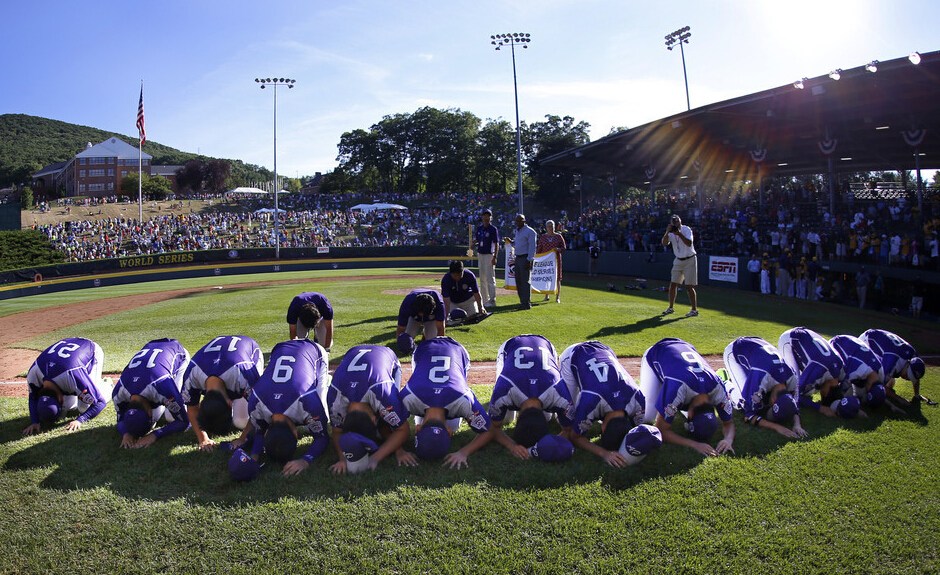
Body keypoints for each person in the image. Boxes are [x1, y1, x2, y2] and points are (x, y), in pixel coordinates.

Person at [229, 338, 331, 479]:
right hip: (280, 349)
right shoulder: (256, 401)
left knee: (321, 414)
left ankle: (327, 381)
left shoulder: (308, 402)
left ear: (296, 434)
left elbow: (323, 438)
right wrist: (254, 455)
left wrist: (306, 460)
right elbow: (259, 431)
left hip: (313, 350)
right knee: (313, 421)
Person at [399, 336, 492, 469]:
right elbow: (488, 430)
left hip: (448, 350)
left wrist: (399, 450)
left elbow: (488, 430)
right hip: (433, 350)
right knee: (454, 423)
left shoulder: (463, 401)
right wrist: (463, 452)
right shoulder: (409, 398)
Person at [324, 344, 417, 473]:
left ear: (375, 419)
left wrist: (376, 458)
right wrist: (342, 459)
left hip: (386, 355)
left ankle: (383, 427)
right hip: (355, 353)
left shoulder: (383, 393)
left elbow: (403, 429)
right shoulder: (334, 396)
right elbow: (337, 431)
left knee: (390, 422)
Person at [640, 338, 735, 457]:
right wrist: (694, 444)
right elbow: (661, 430)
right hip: (657, 352)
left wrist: (728, 439)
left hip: (684, 351)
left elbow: (729, 423)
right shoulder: (678, 387)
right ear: (689, 415)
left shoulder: (718, 389)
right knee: (647, 417)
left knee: (675, 401)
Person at [560, 340, 649, 467]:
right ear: (603, 427)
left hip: (605, 350)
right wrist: (604, 453)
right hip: (574, 353)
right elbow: (575, 437)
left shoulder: (638, 398)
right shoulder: (591, 401)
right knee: (568, 415)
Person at [487, 335, 575, 460]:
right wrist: (513, 446)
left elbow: (569, 429)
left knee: (552, 419)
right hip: (511, 345)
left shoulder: (558, 393)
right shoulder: (504, 388)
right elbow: (491, 427)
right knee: (506, 419)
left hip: (545, 347)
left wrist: (536, 448)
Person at [182, 335, 264, 451]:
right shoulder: (192, 373)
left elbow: (259, 409)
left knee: (241, 421)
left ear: (230, 403)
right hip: (224, 364)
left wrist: (243, 438)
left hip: (249, 352)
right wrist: (203, 438)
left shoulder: (244, 373)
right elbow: (192, 407)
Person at [22, 337, 112, 436]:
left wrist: (80, 420)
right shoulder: (33, 374)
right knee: (69, 406)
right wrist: (35, 422)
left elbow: (100, 403)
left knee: (84, 407)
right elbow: (33, 397)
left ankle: (108, 385)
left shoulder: (72, 376)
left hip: (89, 349)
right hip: (66, 353)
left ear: (61, 398)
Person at [722, 336, 808, 439]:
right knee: (743, 402)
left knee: (757, 396)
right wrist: (778, 427)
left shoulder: (792, 378)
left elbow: (794, 405)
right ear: (773, 399)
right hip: (735, 350)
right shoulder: (762, 377)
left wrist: (797, 425)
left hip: (759, 348)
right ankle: (725, 382)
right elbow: (749, 415)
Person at [112, 338, 191, 449]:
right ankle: (161, 405)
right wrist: (126, 433)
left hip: (177, 354)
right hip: (151, 364)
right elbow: (120, 420)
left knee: (171, 417)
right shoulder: (118, 393)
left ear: (150, 412)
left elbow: (184, 422)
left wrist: (155, 434)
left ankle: (165, 404)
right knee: (163, 410)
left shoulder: (162, 386)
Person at [778, 327, 862, 418]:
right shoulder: (818, 370)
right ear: (826, 392)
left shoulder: (840, 367)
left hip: (809, 334)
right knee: (793, 386)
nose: (821, 394)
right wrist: (819, 407)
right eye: (823, 395)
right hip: (789, 339)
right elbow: (797, 395)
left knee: (808, 388)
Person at [829, 334, 905, 414]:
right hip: (837, 344)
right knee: (837, 391)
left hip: (854, 347)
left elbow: (878, 390)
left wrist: (891, 405)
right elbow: (840, 394)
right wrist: (858, 412)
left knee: (859, 393)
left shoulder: (879, 371)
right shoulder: (855, 372)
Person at [860, 328, 932, 405]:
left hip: (882, 341)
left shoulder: (913, 356)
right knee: (871, 385)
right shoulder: (892, 361)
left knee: (890, 383)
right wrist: (898, 398)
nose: (907, 378)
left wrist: (917, 395)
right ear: (907, 366)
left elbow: (916, 371)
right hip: (867, 341)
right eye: (908, 375)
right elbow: (879, 385)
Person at [661, 214, 699, 317]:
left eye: (677, 221)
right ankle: (670, 307)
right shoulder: (670, 232)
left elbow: (689, 243)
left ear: (680, 221)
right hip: (678, 260)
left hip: (689, 259)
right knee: (673, 284)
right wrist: (667, 232)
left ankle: (694, 310)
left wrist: (679, 234)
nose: (676, 223)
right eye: (674, 222)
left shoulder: (686, 229)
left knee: (689, 286)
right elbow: (664, 243)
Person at [395, 289, 446, 353]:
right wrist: (401, 343)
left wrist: (439, 345)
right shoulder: (407, 303)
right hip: (414, 317)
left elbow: (440, 328)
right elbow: (401, 328)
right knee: (406, 339)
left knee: (432, 342)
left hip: (431, 319)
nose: (422, 316)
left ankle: (425, 335)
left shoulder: (439, 304)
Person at [504, 213, 537, 310]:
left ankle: (526, 303)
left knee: (525, 281)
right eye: (516, 221)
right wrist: (511, 242)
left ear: (524, 221)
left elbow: (532, 247)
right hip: (517, 257)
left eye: (519, 221)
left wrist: (529, 260)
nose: (517, 223)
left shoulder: (530, 232)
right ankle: (522, 301)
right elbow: (518, 243)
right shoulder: (517, 231)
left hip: (525, 258)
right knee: (518, 281)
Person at [475, 208, 500, 308]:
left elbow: (497, 243)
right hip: (480, 254)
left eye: (488, 215)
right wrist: (473, 243)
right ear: (482, 217)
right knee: (482, 279)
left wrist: (495, 256)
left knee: (490, 278)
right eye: (485, 215)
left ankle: (492, 300)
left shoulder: (493, 229)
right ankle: (485, 300)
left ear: (491, 217)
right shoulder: (479, 229)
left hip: (489, 255)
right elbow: (477, 240)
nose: (486, 217)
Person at [537, 219, 566, 303]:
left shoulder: (559, 236)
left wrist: (558, 249)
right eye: (549, 226)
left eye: (552, 226)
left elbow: (564, 248)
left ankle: (557, 297)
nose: (551, 228)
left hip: (556, 260)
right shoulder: (543, 237)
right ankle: (546, 295)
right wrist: (537, 258)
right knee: (546, 278)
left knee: (557, 278)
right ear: (546, 227)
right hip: (546, 261)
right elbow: (539, 249)